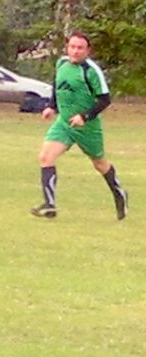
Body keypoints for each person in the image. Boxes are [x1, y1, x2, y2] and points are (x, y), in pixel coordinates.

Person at [30, 31, 127, 220]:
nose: (75, 51)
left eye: (80, 48)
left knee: (99, 164)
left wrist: (85, 116)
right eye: (72, 47)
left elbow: (105, 100)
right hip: (64, 123)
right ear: (67, 48)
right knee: (45, 156)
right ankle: (50, 205)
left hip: (87, 127)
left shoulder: (91, 71)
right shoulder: (61, 64)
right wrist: (52, 106)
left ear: (87, 51)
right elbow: (58, 87)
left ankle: (119, 193)